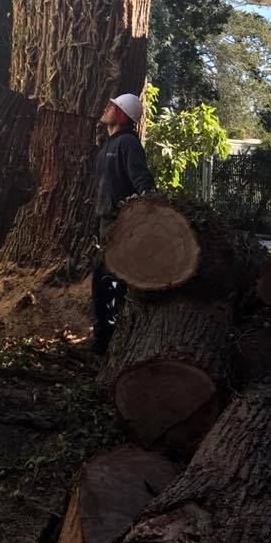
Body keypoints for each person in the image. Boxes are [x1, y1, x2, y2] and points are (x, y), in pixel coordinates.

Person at [91, 93, 155, 355]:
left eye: (112, 106)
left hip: (121, 226)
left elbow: (144, 184)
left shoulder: (128, 144)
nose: (106, 109)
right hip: (105, 223)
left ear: (123, 115)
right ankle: (107, 338)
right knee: (105, 282)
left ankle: (107, 341)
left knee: (107, 282)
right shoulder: (107, 145)